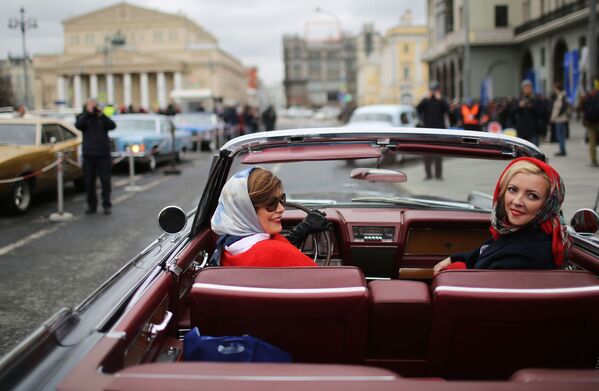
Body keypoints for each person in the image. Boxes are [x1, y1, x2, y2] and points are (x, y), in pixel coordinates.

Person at [433, 157, 568, 275]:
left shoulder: (523, 256)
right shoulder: (518, 231)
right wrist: (455, 259)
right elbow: (487, 250)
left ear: (548, 205)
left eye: (532, 196)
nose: (517, 201)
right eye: (512, 190)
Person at [210, 167, 331, 267]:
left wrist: (300, 232)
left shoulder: (228, 246)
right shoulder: (276, 253)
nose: (281, 208)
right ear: (248, 210)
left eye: (281, 200)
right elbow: (325, 284)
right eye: (271, 204)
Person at [75, 98, 116, 215]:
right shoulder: (83, 117)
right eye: (91, 105)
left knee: (105, 181)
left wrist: (101, 114)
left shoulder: (101, 118)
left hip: (103, 155)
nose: (94, 108)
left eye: (95, 105)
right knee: (89, 182)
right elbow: (79, 125)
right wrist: (88, 112)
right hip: (88, 156)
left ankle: (106, 204)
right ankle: (91, 205)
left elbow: (112, 125)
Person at [417, 81, 449, 180]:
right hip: (427, 131)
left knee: (438, 153)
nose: (434, 92)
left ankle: (438, 175)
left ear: (438, 90)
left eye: (435, 90)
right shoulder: (426, 100)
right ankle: (428, 175)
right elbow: (418, 109)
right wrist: (425, 98)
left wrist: (441, 100)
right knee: (426, 153)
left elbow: (447, 110)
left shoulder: (441, 100)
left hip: (439, 131)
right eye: (432, 90)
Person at [511, 80, 544, 146]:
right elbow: (512, 112)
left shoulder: (536, 99)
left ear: (531, 88)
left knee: (534, 151)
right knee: (522, 150)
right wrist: (519, 106)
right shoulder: (518, 99)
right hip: (521, 129)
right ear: (522, 89)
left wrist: (532, 107)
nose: (527, 90)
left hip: (533, 130)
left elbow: (542, 113)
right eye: (525, 88)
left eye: (529, 88)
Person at [582, 80, 599, 167]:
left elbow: (584, 110)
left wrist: (584, 120)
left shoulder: (587, 98)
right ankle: (594, 160)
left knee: (592, 143)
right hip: (596, 122)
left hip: (590, 122)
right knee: (592, 143)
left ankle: (594, 161)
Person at [550, 82, 569, 156]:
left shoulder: (562, 95)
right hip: (559, 118)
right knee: (560, 135)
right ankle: (562, 149)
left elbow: (563, 106)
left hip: (560, 119)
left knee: (560, 135)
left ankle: (562, 150)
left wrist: (558, 114)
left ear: (558, 89)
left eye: (555, 89)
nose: (554, 90)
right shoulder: (559, 96)